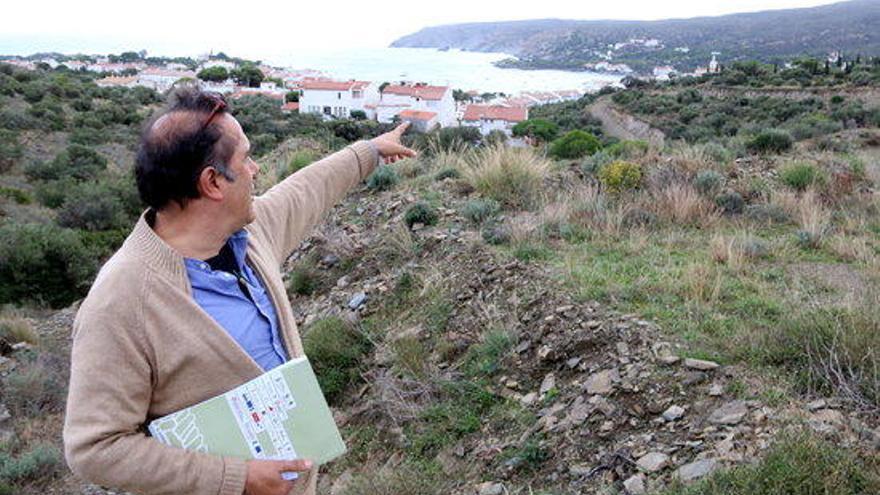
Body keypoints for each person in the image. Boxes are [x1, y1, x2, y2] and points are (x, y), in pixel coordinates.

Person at [62, 88, 416, 495]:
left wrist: (369, 151)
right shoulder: (121, 301)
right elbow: (94, 447)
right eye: (245, 158)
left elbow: (306, 189)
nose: (256, 168)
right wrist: (236, 479)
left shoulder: (248, 235)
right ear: (212, 182)